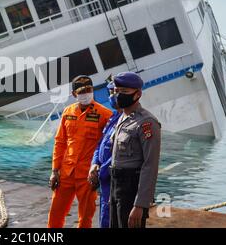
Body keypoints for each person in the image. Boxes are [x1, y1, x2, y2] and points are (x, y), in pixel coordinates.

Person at [47, 75, 112, 228]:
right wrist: (54, 170)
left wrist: (100, 170)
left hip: (88, 175)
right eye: (82, 91)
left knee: (85, 218)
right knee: (55, 213)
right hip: (66, 172)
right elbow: (60, 142)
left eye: (89, 90)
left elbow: (107, 147)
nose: (86, 94)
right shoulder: (68, 112)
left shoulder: (105, 114)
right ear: (74, 94)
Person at [109, 72, 161, 228]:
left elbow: (150, 165)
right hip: (115, 184)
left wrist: (140, 205)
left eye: (124, 92)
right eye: (117, 91)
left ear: (138, 94)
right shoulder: (123, 118)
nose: (119, 95)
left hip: (131, 188)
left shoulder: (146, 123)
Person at [88, 81, 122, 228]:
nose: (111, 96)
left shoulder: (132, 120)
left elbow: (121, 153)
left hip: (117, 181)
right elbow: (101, 144)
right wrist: (94, 164)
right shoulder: (113, 118)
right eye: (110, 93)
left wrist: (100, 172)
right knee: (105, 220)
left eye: (114, 92)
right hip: (104, 180)